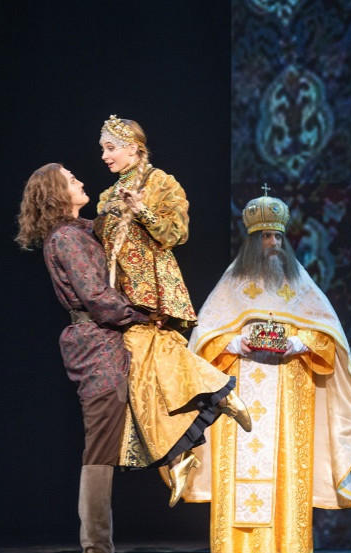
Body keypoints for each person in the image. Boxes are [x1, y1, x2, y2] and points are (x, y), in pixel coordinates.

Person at [182, 190, 351, 553]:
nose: (275, 244)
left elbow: (329, 336)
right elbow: (204, 340)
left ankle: (276, 547)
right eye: (267, 236)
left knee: (286, 463)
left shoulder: (299, 284)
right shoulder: (231, 284)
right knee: (238, 463)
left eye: (279, 237)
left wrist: (299, 343)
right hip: (240, 388)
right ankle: (238, 548)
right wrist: (233, 342)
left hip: (289, 388)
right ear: (253, 241)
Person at [96, 115, 251, 505]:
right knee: (148, 377)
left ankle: (213, 402)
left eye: (110, 148)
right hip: (122, 296)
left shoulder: (160, 182)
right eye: (103, 149)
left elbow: (177, 233)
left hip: (152, 292)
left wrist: (143, 211)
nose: (104, 156)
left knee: (149, 366)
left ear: (134, 148)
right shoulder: (106, 196)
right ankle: (186, 447)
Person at [17, 163, 148, 553]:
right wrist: (142, 316)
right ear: (57, 192)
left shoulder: (79, 231)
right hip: (98, 344)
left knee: (104, 447)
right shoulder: (67, 238)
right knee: (101, 450)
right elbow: (96, 296)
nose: (82, 183)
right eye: (73, 181)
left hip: (102, 340)